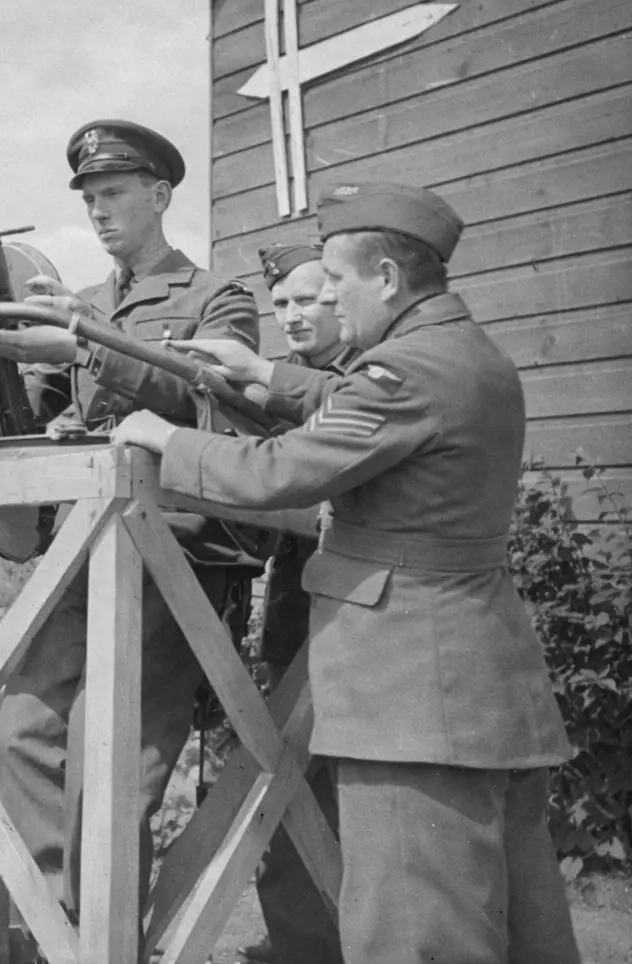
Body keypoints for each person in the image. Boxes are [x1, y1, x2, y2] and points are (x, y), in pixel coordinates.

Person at [118, 181, 580, 964]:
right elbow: (347, 401)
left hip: (410, 698)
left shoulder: (407, 371)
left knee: (415, 936)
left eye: (334, 283)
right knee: (527, 929)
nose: (325, 299)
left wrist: (165, 438)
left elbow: (281, 472)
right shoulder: (462, 354)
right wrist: (261, 372)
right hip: (473, 685)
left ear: (388, 280)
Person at [0, 119, 262, 908]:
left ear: (160, 196)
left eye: (115, 193)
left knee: (113, 761)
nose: (98, 211)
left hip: (173, 554)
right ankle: (64, 925)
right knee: (22, 733)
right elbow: (42, 420)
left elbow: (217, 409)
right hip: (81, 549)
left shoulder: (215, 298)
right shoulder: (81, 303)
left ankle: (105, 934)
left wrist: (88, 347)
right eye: (90, 198)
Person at [245, 242, 353, 964]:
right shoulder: (271, 396)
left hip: (364, 615)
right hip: (295, 610)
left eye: (307, 299)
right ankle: (300, 947)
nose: (290, 316)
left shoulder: (366, 381)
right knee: (289, 789)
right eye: (279, 304)